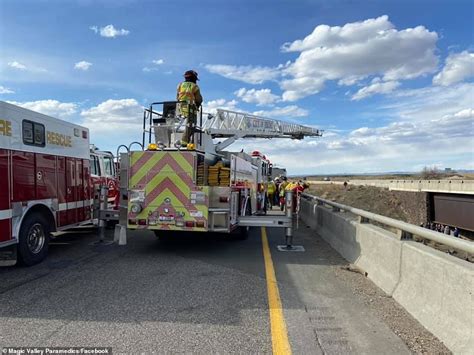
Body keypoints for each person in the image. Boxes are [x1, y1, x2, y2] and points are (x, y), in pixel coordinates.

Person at [177, 70, 203, 146]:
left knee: (186, 125)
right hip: (190, 109)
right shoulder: (194, 86)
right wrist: (198, 105)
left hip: (180, 108)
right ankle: (184, 142)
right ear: (194, 78)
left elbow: (177, 96)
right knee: (191, 125)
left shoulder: (180, 85)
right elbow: (199, 99)